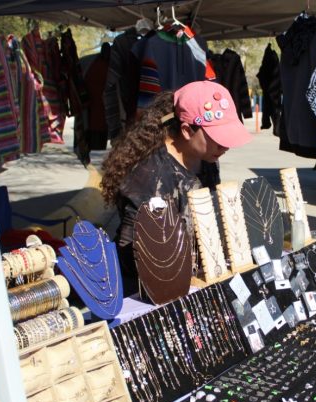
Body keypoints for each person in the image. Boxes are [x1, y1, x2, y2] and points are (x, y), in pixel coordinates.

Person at [100, 81, 252, 294]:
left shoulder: (206, 158)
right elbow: (134, 253)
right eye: (217, 137)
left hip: (194, 276)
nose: (225, 146)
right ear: (187, 131)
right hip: (147, 289)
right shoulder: (149, 176)